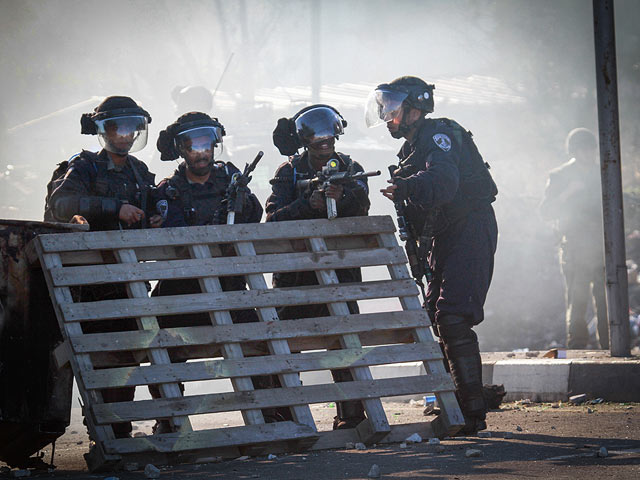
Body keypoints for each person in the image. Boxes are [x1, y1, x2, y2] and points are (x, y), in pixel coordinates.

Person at [366, 76, 498, 434]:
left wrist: (409, 186)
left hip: (469, 226)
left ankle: (471, 413)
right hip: (443, 234)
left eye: (394, 109)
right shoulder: (410, 149)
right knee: (435, 317)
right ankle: (454, 406)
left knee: (453, 316)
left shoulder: (439, 135)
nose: (388, 116)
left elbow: (444, 183)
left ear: (416, 108)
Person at [153, 112, 279, 431]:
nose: (201, 151)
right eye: (193, 145)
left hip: (229, 285)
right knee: (161, 344)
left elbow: (254, 216)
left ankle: (273, 414)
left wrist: (239, 203)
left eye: (206, 143)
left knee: (262, 339)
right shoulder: (170, 190)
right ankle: (170, 419)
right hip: (182, 289)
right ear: (182, 149)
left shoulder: (229, 178)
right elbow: (175, 238)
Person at [48, 96, 156, 438]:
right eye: (116, 128)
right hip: (90, 282)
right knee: (96, 357)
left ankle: (119, 430)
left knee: (128, 355)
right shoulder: (84, 166)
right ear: (104, 130)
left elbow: (146, 214)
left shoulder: (140, 171)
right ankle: (103, 430)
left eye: (130, 128)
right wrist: (115, 208)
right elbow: (62, 203)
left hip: (129, 279)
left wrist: (150, 220)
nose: (124, 135)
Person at [266, 104, 370, 429]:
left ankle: (351, 417)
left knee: (346, 344)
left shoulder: (350, 166)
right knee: (284, 347)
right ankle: (285, 420)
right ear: (304, 139)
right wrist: (307, 203)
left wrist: (342, 199)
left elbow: (363, 211)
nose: (324, 143)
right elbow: (272, 220)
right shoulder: (289, 172)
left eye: (329, 135)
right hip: (294, 276)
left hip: (340, 272)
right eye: (317, 137)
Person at [540, 128, 608, 349]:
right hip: (575, 247)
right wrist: (569, 192)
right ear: (575, 151)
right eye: (584, 149)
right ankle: (578, 348)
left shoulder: (604, 173)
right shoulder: (560, 176)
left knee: (607, 299)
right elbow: (546, 211)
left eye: (591, 149)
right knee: (577, 301)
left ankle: (610, 344)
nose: (589, 153)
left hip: (602, 246)